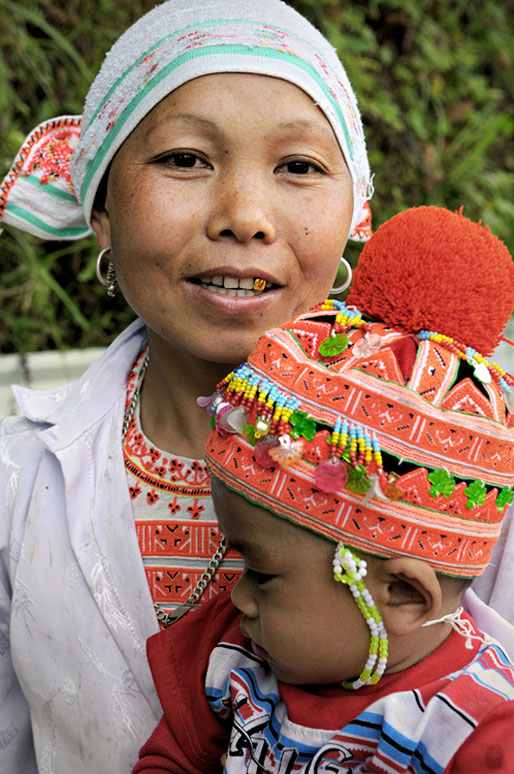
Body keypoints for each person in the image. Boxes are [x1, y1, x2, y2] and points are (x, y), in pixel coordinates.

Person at [0, 1, 374, 772]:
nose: (245, 215)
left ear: (352, 210)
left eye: (299, 166)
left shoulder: (457, 473)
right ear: (101, 208)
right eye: (185, 159)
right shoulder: (14, 484)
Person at [133, 206, 514, 773]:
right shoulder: (239, 660)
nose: (237, 600)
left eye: (262, 576)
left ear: (404, 595)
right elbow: (172, 758)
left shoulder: (468, 731)